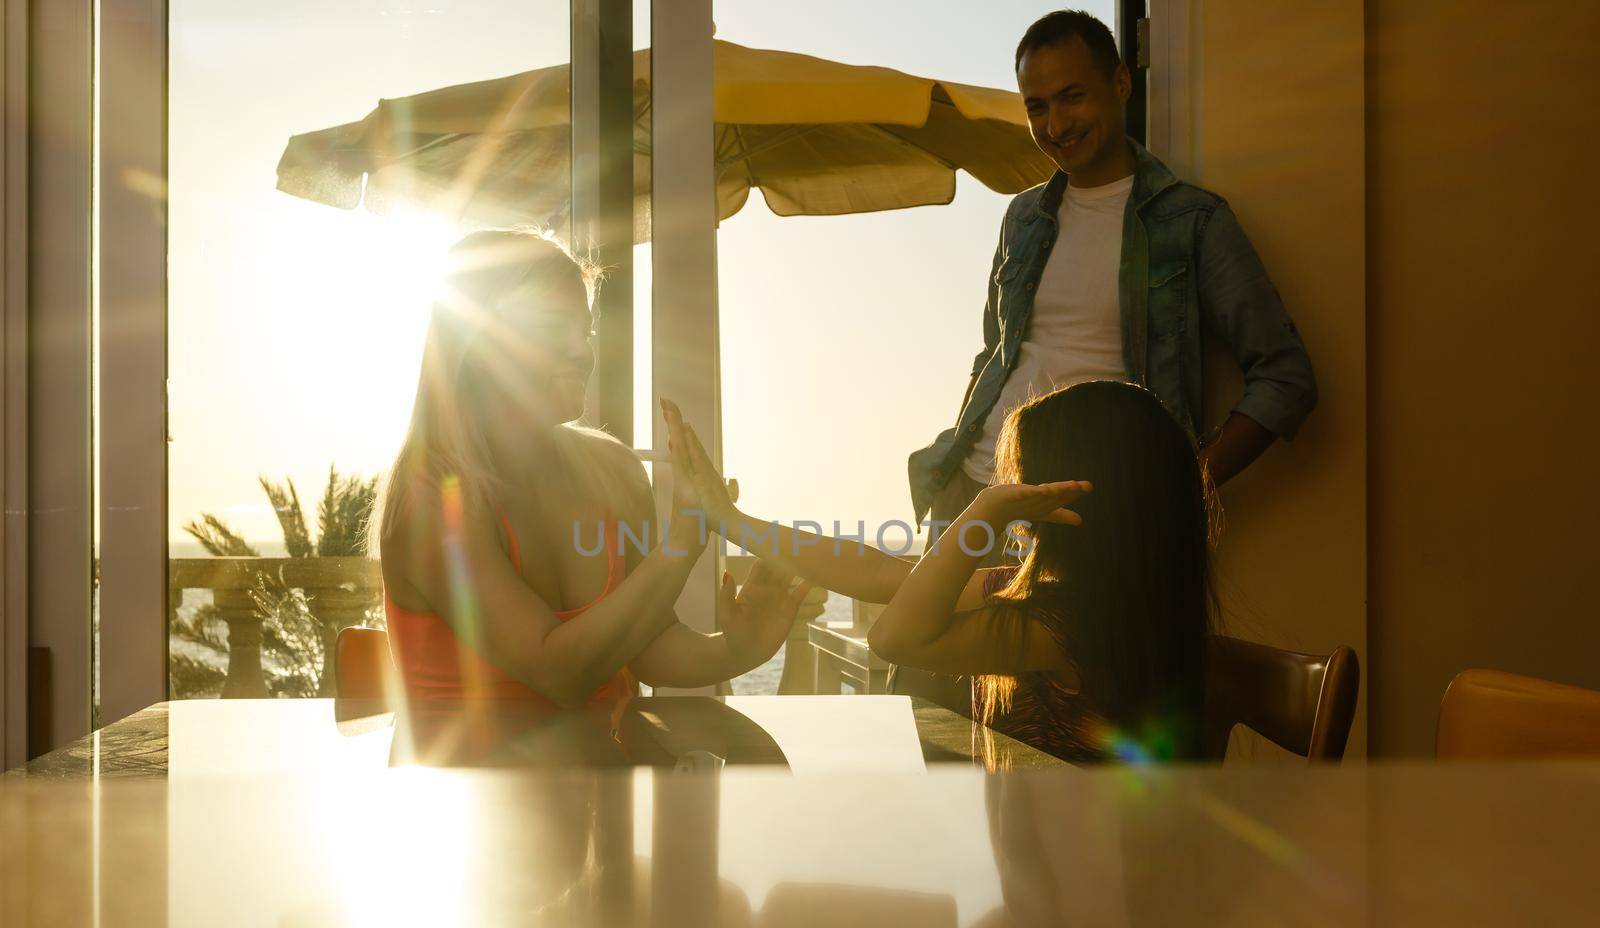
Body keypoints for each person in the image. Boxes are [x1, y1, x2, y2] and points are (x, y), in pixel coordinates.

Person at [374, 230, 809, 761]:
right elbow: (559, 673)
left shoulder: (613, 467)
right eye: (556, 328)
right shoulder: (428, 494)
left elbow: (648, 647)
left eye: (587, 330)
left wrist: (736, 648)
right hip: (463, 822)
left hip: (590, 808)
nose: (583, 351)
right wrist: (683, 542)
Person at [663, 380, 1223, 766]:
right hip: (1049, 882)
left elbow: (894, 636)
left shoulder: (1067, 628)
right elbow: (886, 573)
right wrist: (731, 521)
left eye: (1019, 484)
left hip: (1080, 911)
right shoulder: (1065, 605)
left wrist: (980, 514)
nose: (1011, 499)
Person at [906, 9, 1317, 532]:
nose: (1055, 126)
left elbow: (1286, 377)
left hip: (1088, 518)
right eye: (1037, 107)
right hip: (971, 497)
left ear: (1121, 83)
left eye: (1072, 97)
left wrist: (1179, 488)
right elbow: (995, 352)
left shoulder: (1192, 221)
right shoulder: (1023, 218)